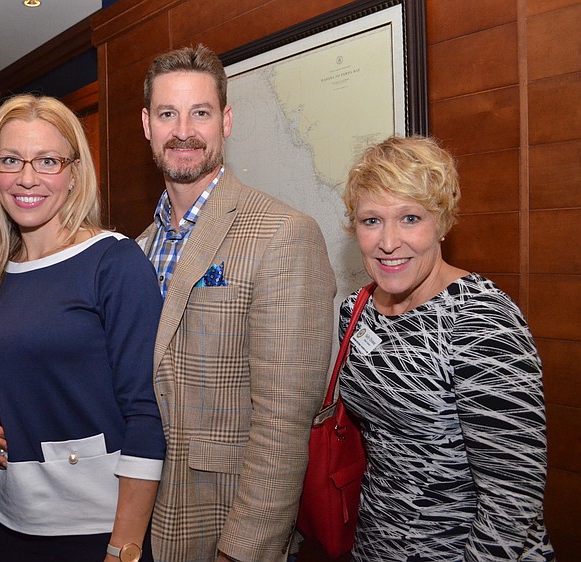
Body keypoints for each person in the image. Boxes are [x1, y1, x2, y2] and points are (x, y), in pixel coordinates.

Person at [138, 45, 336, 561]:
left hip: (225, 523)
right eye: (167, 114)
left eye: (199, 112)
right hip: (141, 519)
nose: (183, 130)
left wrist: (245, 550)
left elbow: (285, 422)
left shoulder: (283, 234)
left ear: (225, 121)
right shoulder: (135, 249)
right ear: (147, 125)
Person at [0, 94, 166, 562]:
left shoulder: (113, 261)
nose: (27, 178)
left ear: (75, 172)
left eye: (48, 161)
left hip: (97, 527)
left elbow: (147, 412)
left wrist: (125, 548)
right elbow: (31, 374)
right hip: (12, 517)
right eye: (11, 160)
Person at [339, 135, 554, 561]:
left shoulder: (480, 321)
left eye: (410, 218)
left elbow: (513, 498)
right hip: (376, 545)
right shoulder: (356, 310)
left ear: (442, 222)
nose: (388, 242)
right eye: (371, 221)